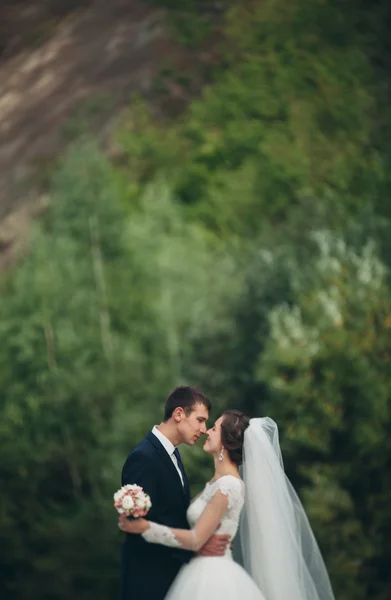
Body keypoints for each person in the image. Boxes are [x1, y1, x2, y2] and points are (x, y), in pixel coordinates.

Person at [119, 411, 336, 600]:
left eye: (213, 428)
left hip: (213, 577)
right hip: (196, 569)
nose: (207, 431)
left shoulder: (229, 486)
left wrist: (145, 528)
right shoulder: (215, 484)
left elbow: (195, 539)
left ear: (225, 442)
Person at [119, 386, 231, 600]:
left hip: (173, 577)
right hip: (148, 581)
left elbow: (172, 513)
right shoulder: (143, 457)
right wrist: (195, 546)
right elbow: (137, 526)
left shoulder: (172, 454)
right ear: (179, 414)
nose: (204, 429)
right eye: (200, 420)